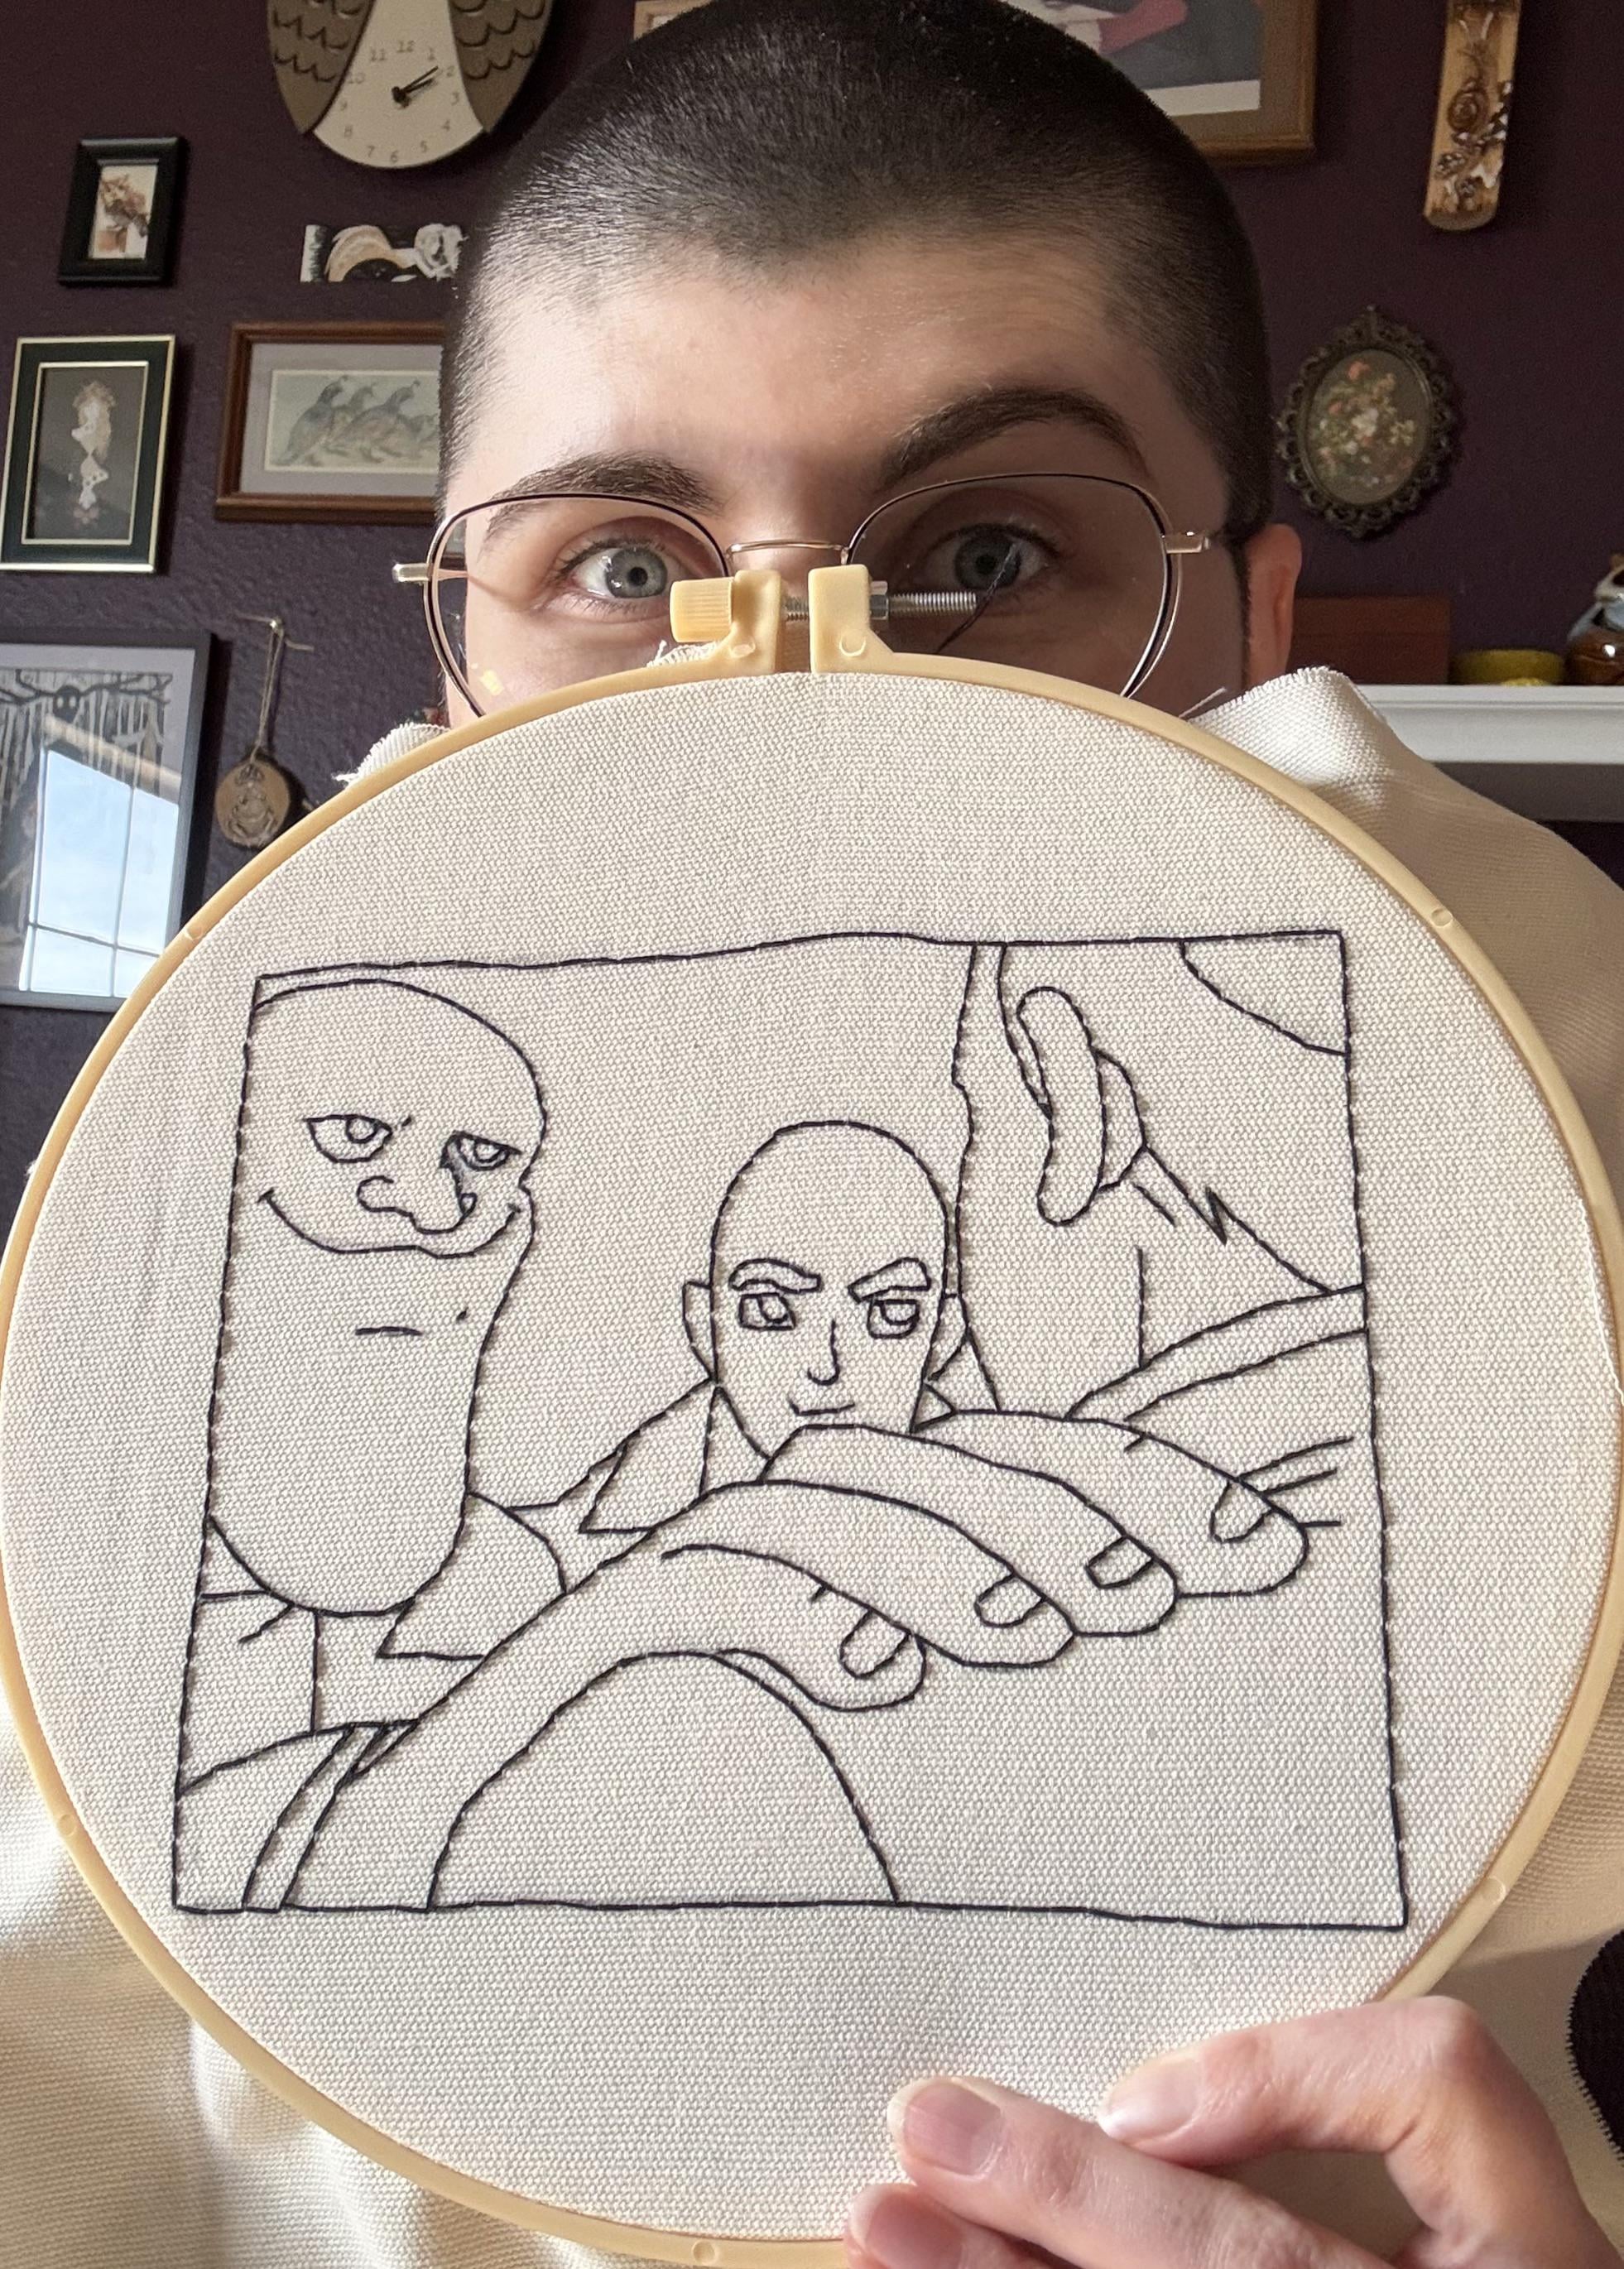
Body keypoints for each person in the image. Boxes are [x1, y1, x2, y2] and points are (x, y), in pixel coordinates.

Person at [7, 0, 1623, 2262]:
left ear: (1256, 631)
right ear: (452, 646)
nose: (788, 690)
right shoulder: (239, 1129)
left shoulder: (1532, 1082)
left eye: (988, 557)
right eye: (628, 571)